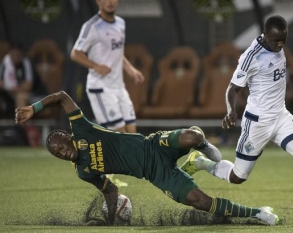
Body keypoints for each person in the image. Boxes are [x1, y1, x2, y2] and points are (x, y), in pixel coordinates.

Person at [181, 15, 293, 225]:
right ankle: (200, 162)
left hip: (281, 117)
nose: (280, 45)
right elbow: (233, 88)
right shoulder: (251, 57)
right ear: (266, 35)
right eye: (276, 40)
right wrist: (231, 111)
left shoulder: (278, 46)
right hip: (257, 123)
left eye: (283, 40)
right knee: (237, 177)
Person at [14, 90, 278, 226]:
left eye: (62, 146)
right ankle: (258, 214)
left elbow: (61, 97)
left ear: (68, 137)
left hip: (154, 147)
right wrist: (109, 220)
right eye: (57, 154)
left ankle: (203, 149)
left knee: (191, 137)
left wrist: (33, 108)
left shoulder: (81, 129)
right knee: (200, 202)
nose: (62, 152)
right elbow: (109, 189)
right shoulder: (83, 171)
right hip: (155, 174)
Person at [71, 0, 145, 186]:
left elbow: (118, 53)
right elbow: (75, 53)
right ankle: (109, 176)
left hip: (118, 86)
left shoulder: (120, 23)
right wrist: (95, 66)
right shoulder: (91, 26)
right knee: (117, 132)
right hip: (100, 87)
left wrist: (130, 70)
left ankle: (131, 169)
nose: (110, 2)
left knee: (132, 132)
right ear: (98, 2)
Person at [0, 42, 33, 118]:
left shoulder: (26, 63)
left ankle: (20, 128)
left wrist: (13, 89)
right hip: (7, 95)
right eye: (13, 54)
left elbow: (28, 86)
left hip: (28, 95)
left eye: (18, 55)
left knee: (21, 97)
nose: (15, 57)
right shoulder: (5, 63)